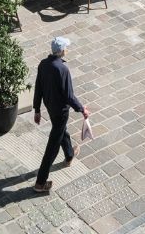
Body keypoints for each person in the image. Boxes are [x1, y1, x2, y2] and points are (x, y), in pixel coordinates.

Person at [32, 37, 88, 193]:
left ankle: (69, 155)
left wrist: (37, 109)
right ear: (62, 51)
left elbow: (38, 88)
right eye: (66, 48)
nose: (67, 50)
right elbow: (69, 96)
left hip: (50, 107)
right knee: (52, 147)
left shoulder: (43, 64)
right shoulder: (62, 69)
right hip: (61, 111)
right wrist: (82, 109)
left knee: (60, 129)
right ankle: (40, 182)